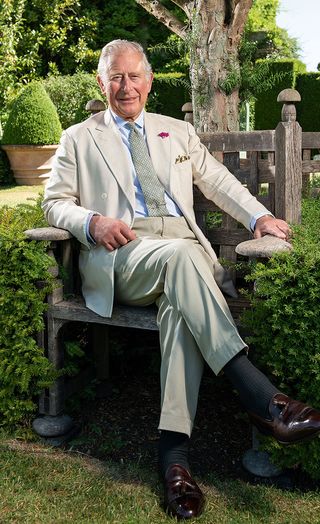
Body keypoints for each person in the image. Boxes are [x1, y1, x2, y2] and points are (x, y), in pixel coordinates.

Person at [42, 40, 320, 520]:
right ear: (101, 82)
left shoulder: (178, 132)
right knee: (180, 261)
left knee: (180, 301)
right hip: (122, 254)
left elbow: (218, 181)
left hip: (182, 258)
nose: (125, 86)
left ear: (149, 81)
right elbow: (53, 202)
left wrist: (258, 218)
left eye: (134, 76)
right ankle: (260, 395)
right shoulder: (79, 138)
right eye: (115, 77)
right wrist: (92, 223)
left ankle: (174, 460)